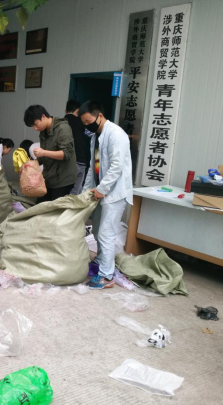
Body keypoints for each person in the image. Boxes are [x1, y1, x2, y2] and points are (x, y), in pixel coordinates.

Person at [79, 101, 133, 290]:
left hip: (115, 192)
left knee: (106, 233)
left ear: (99, 116)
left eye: (88, 122)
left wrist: (102, 188)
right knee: (96, 231)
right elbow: (93, 167)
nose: (87, 126)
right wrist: (86, 191)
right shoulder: (96, 136)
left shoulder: (116, 134)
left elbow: (116, 166)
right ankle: (102, 260)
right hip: (101, 191)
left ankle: (106, 276)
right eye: (84, 123)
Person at [24, 105, 77, 202]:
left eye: (35, 124)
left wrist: (43, 152)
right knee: (40, 206)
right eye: (32, 126)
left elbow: (66, 154)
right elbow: (44, 156)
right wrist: (30, 166)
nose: (35, 128)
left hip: (63, 180)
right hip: (50, 177)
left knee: (53, 209)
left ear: (43, 116)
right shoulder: (43, 131)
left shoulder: (63, 128)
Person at [65, 100, 91, 195]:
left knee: (63, 193)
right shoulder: (82, 122)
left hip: (66, 162)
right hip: (80, 161)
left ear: (65, 111)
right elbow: (91, 134)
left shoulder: (60, 123)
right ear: (78, 111)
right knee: (75, 194)